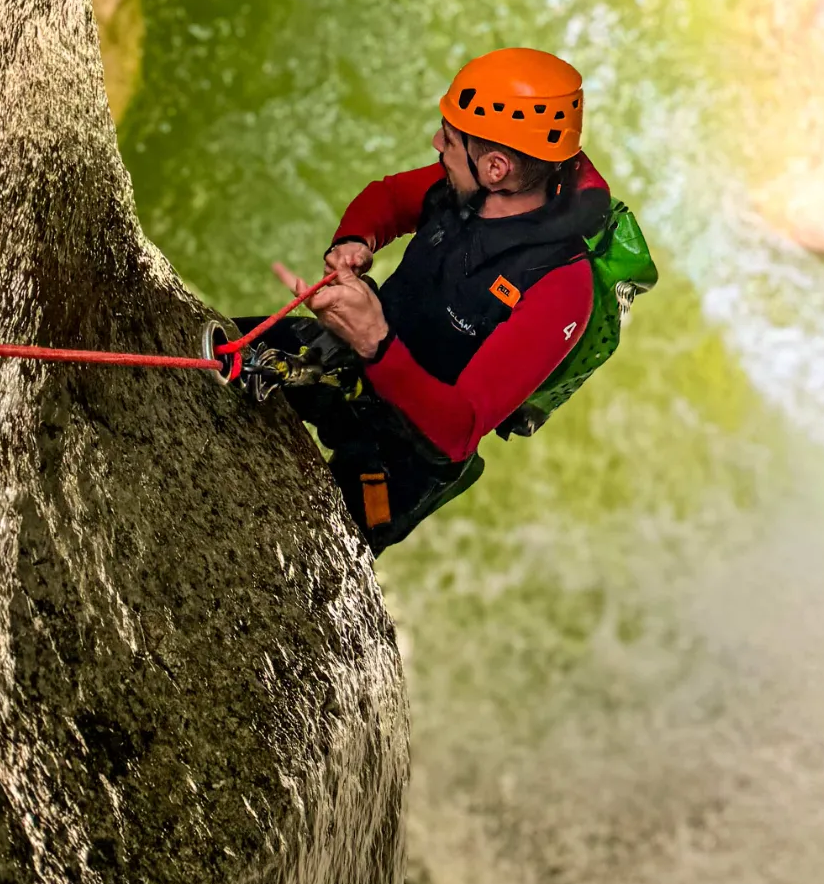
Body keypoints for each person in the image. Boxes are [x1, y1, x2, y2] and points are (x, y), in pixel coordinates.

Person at [234, 50, 643, 553]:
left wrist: (374, 340)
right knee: (225, 348)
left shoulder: (561, 288)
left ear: (496, 167)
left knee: (304, 553)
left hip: (408, 451)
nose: (436, 144)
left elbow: (460, 427)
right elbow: (387, 200)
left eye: (449, 138)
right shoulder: (460, 188)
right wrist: (356, 241)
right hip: (357, 360)